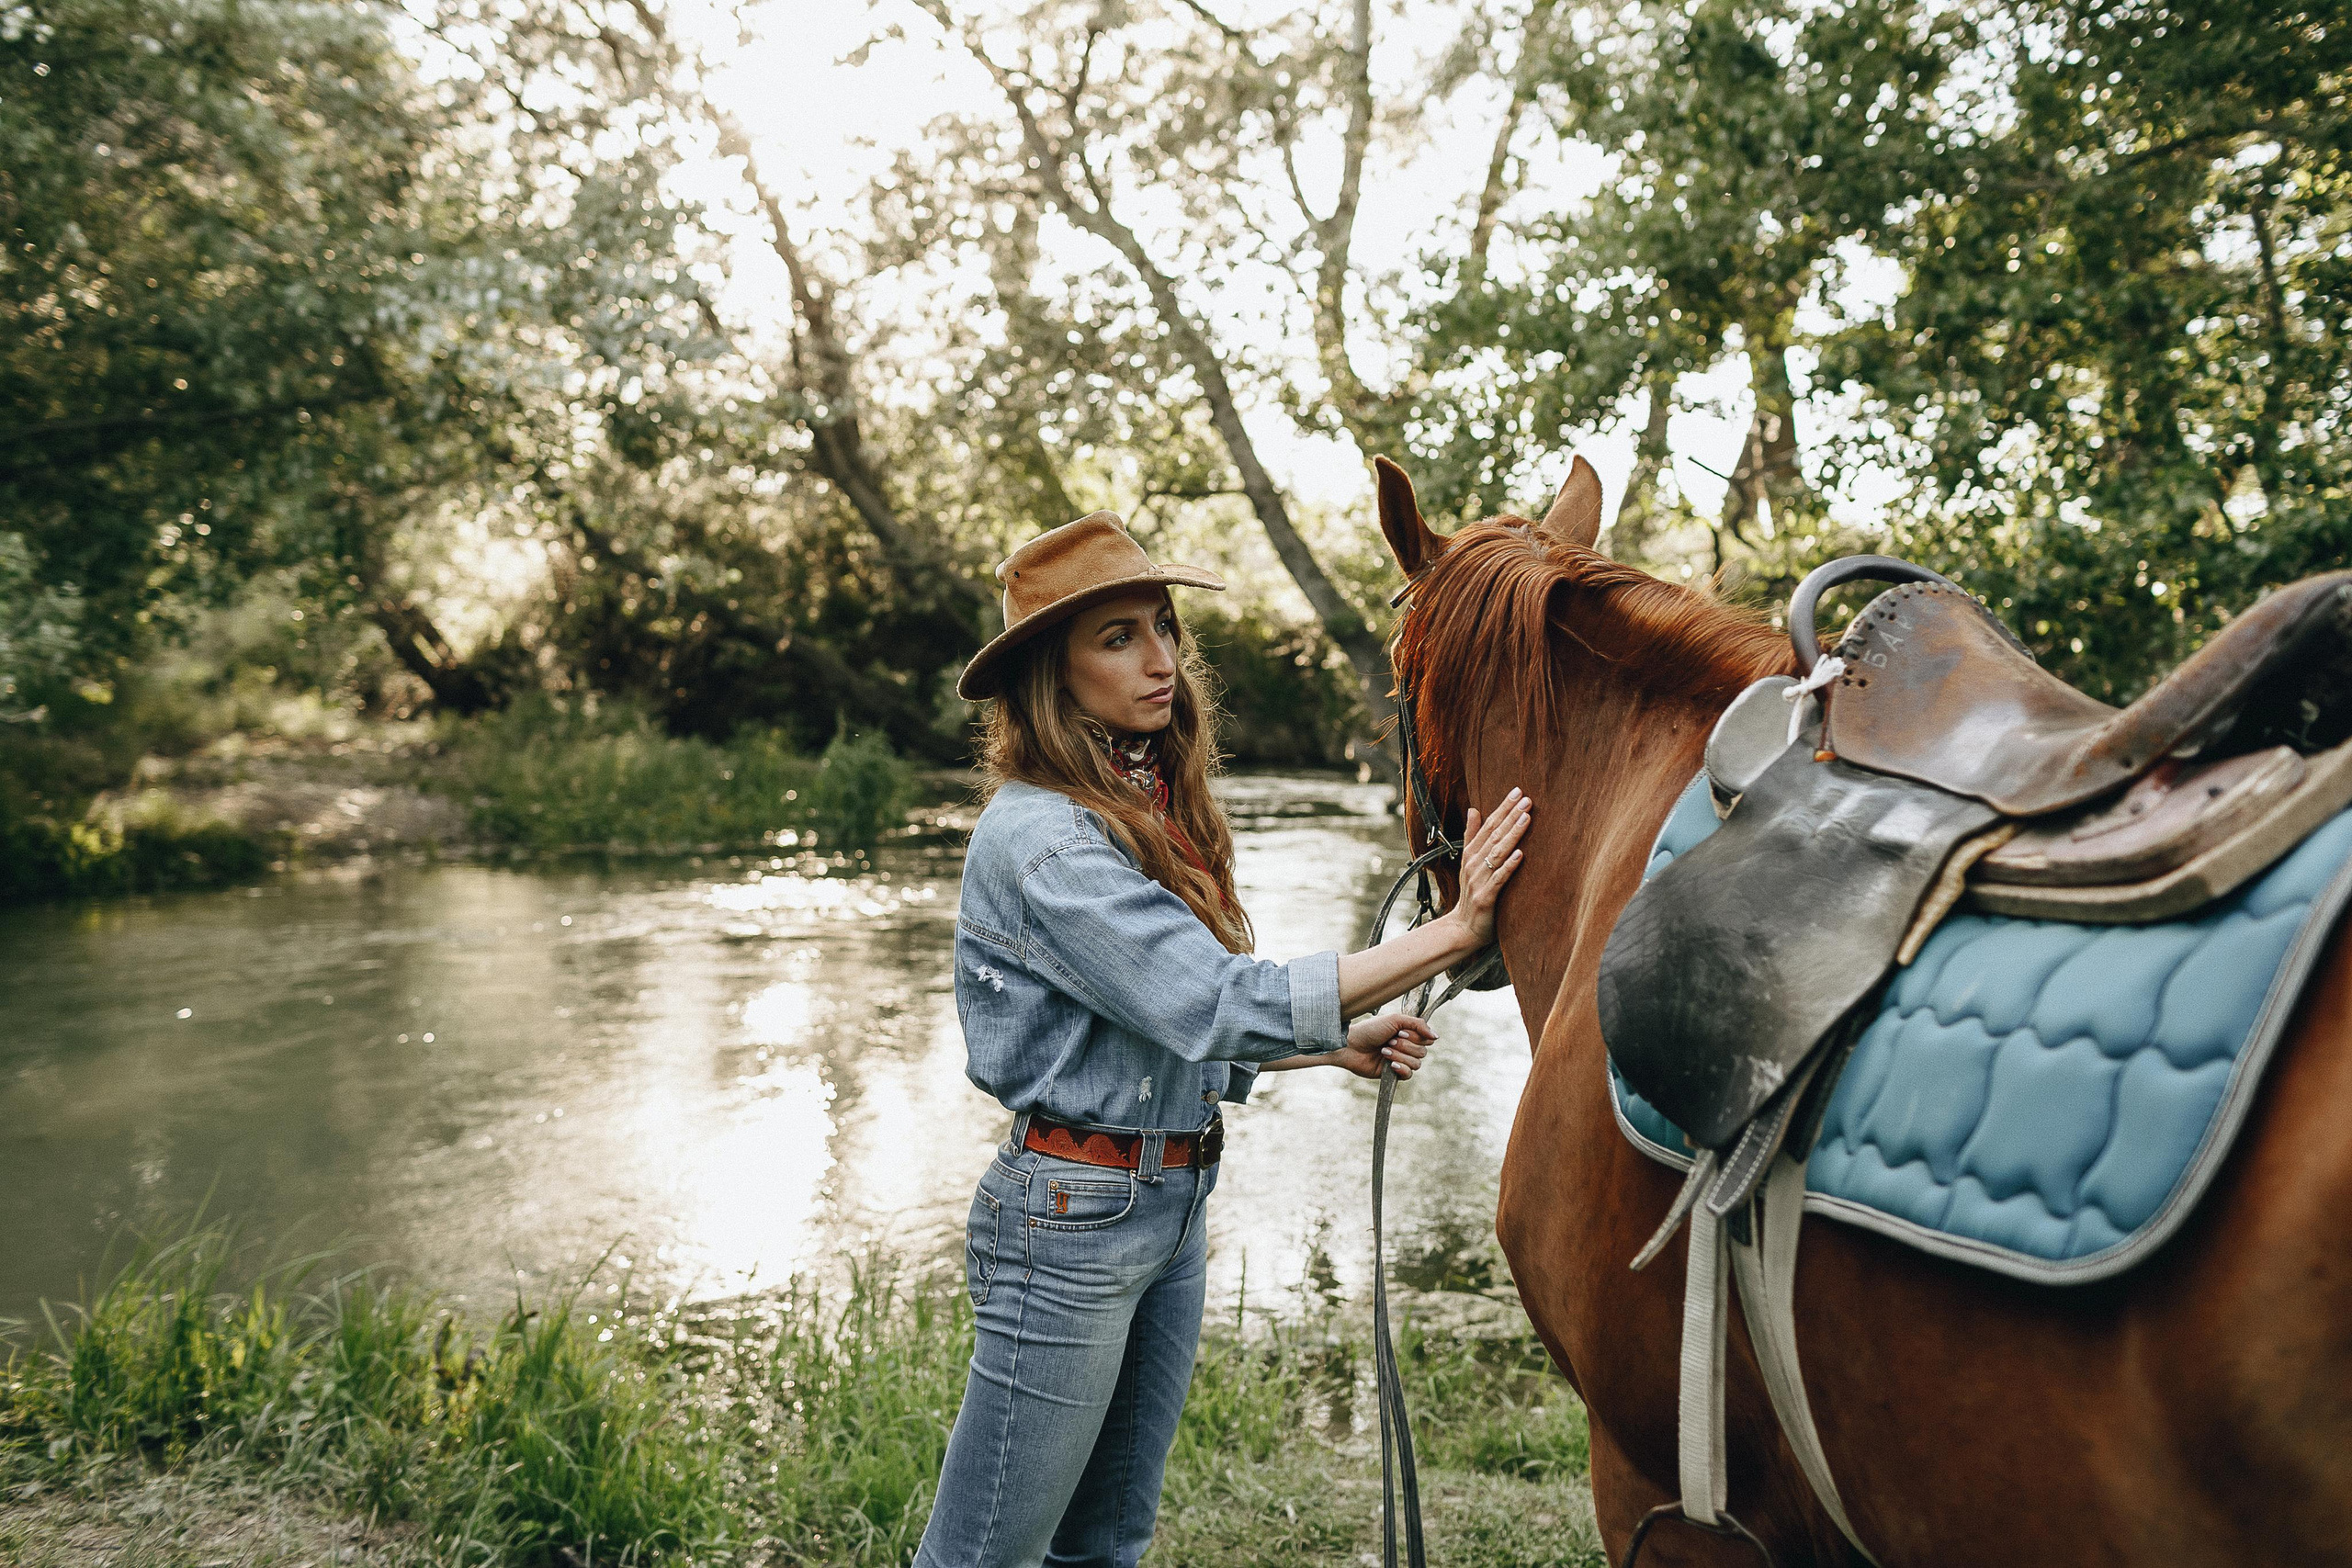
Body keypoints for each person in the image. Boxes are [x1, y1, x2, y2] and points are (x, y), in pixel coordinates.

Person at [910, 513, 1530, 1568]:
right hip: (1068, 1223)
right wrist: (1455, 928)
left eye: (1162, 626)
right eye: (1117, 637)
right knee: (982, 1558)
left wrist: (1327, 1045)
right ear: (1051, 677)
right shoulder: (1046, 838)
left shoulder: (1134, 803)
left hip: (1166, 1201)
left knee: (1105, 1544)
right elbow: (1209, 999)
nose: (1161, 658)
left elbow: (1151, 1026)